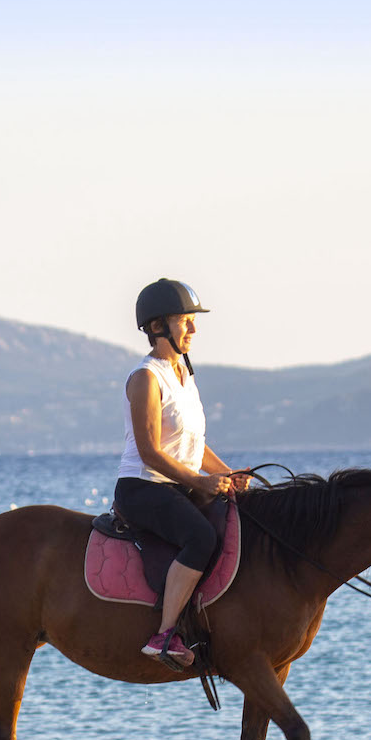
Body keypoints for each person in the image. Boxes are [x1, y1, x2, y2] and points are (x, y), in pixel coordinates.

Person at [115, 278, 243, 668]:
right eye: (184, 321)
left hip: (177, 488)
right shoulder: (146, 378)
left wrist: (230, 475)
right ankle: (165, 634)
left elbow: (192, 445)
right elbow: (151, 451)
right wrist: (202, 482)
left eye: (192, 321)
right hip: (144, 489)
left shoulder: (184, 378)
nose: (193, 329)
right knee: (200, 537)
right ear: (158, 327)